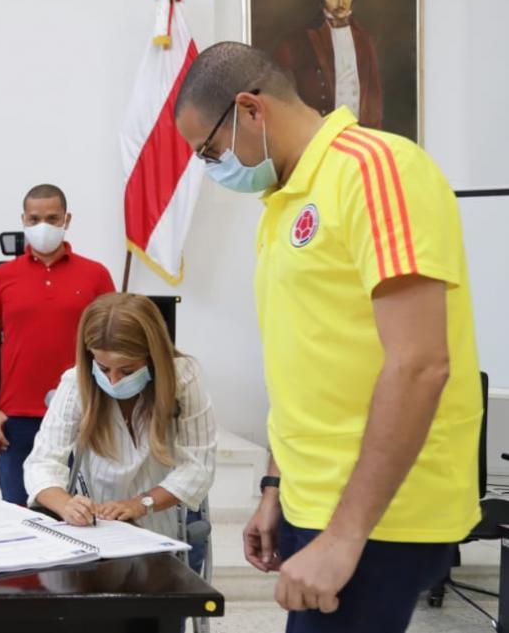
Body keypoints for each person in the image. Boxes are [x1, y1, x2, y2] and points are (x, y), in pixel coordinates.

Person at [173, 41, 480, 632]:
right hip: (315, 500)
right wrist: (275, 485)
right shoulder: (282, 202)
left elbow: (420, 363)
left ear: (250, 109)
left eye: (210, 151)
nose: (212, 169)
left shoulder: (375, 168)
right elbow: (304, 365)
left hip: (378, 515)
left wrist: (344, 536)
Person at [25, 293, 216, 562]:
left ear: (152, 357)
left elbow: (198, 467)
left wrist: (139, 505)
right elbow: (41, 463)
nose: (113, 381)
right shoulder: (76, 381)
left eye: (126, 371)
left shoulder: (183, 378)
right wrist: (66, 504)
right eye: (103, 368)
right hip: (96, 532)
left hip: (160, 527)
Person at [0, 183, 116, 505]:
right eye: (35, 218)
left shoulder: (95, 275)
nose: (43, 226)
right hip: (17, 417)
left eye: (53, 218)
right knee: (17, 508)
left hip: (83, 413)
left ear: (67, 220)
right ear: (23, 220)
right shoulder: (2, 277)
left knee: (79, 510)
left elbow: (114, 339)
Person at [272, 0, 382, 129]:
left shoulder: (364, 38)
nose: (341, 3)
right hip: (320, 129)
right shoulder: (299, 39)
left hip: (359, 129)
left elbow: (373, 90)